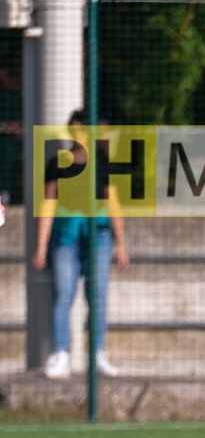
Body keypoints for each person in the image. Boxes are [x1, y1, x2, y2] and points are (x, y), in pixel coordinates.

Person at [32, 109, 130, 379]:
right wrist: (41, 246)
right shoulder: (58, 163)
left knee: (97, 296)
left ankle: (97, 354)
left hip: (98, 236)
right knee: (63, 294)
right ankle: (60, 354)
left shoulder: (101, 162)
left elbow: (113, 204)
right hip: (66, 236)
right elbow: (48, 205)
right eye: (75, 129)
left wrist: (121, 243)